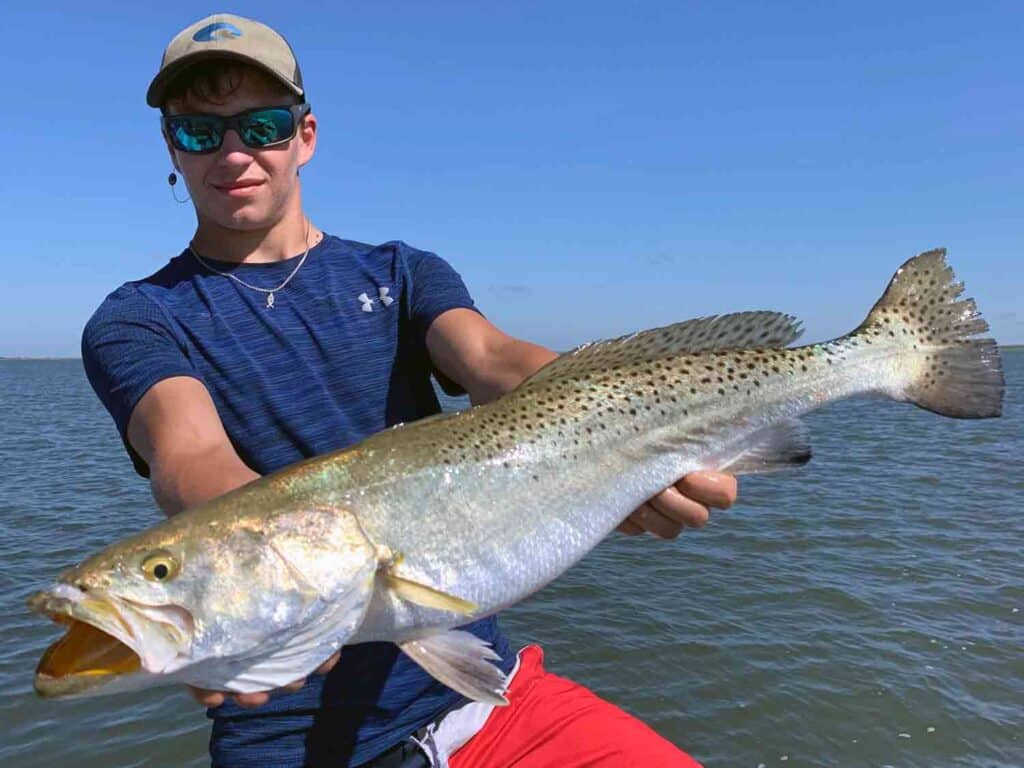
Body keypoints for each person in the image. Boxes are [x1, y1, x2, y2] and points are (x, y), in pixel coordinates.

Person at [82, 13, 738, 768]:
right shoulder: (137, 318)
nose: (235, 153)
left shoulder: (399, 272)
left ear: (306, 136)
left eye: (260, 125)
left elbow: (491, 360)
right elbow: (191, 457)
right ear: (173, 148)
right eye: (201, 132)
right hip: (286, 743)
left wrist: (631, 431)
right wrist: (258, 589)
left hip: (488, 703)